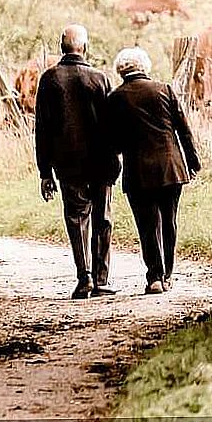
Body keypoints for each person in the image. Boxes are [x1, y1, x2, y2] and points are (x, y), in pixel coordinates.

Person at [34, 24, 121, 300]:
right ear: (85, 47)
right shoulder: (100, 79)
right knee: (103, 219)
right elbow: (111, 125)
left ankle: (84, 278)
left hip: (67, 164)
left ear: (62, 47)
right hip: (101, 163)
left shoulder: (49, 80)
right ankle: (101, 279)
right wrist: (117, 159)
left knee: (76, 218)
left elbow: (42, 129)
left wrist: (44, 171)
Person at [106, 47, 201, 295]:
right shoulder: (164, 90)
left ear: (121, 71)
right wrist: (193, 162)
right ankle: (167, 275)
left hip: (137, 172)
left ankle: (154, 276)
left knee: (147, 226)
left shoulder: (115, 98)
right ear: (144, 67)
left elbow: (112, 141)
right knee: (169, 222)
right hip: (171, 168)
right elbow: (183, 129)